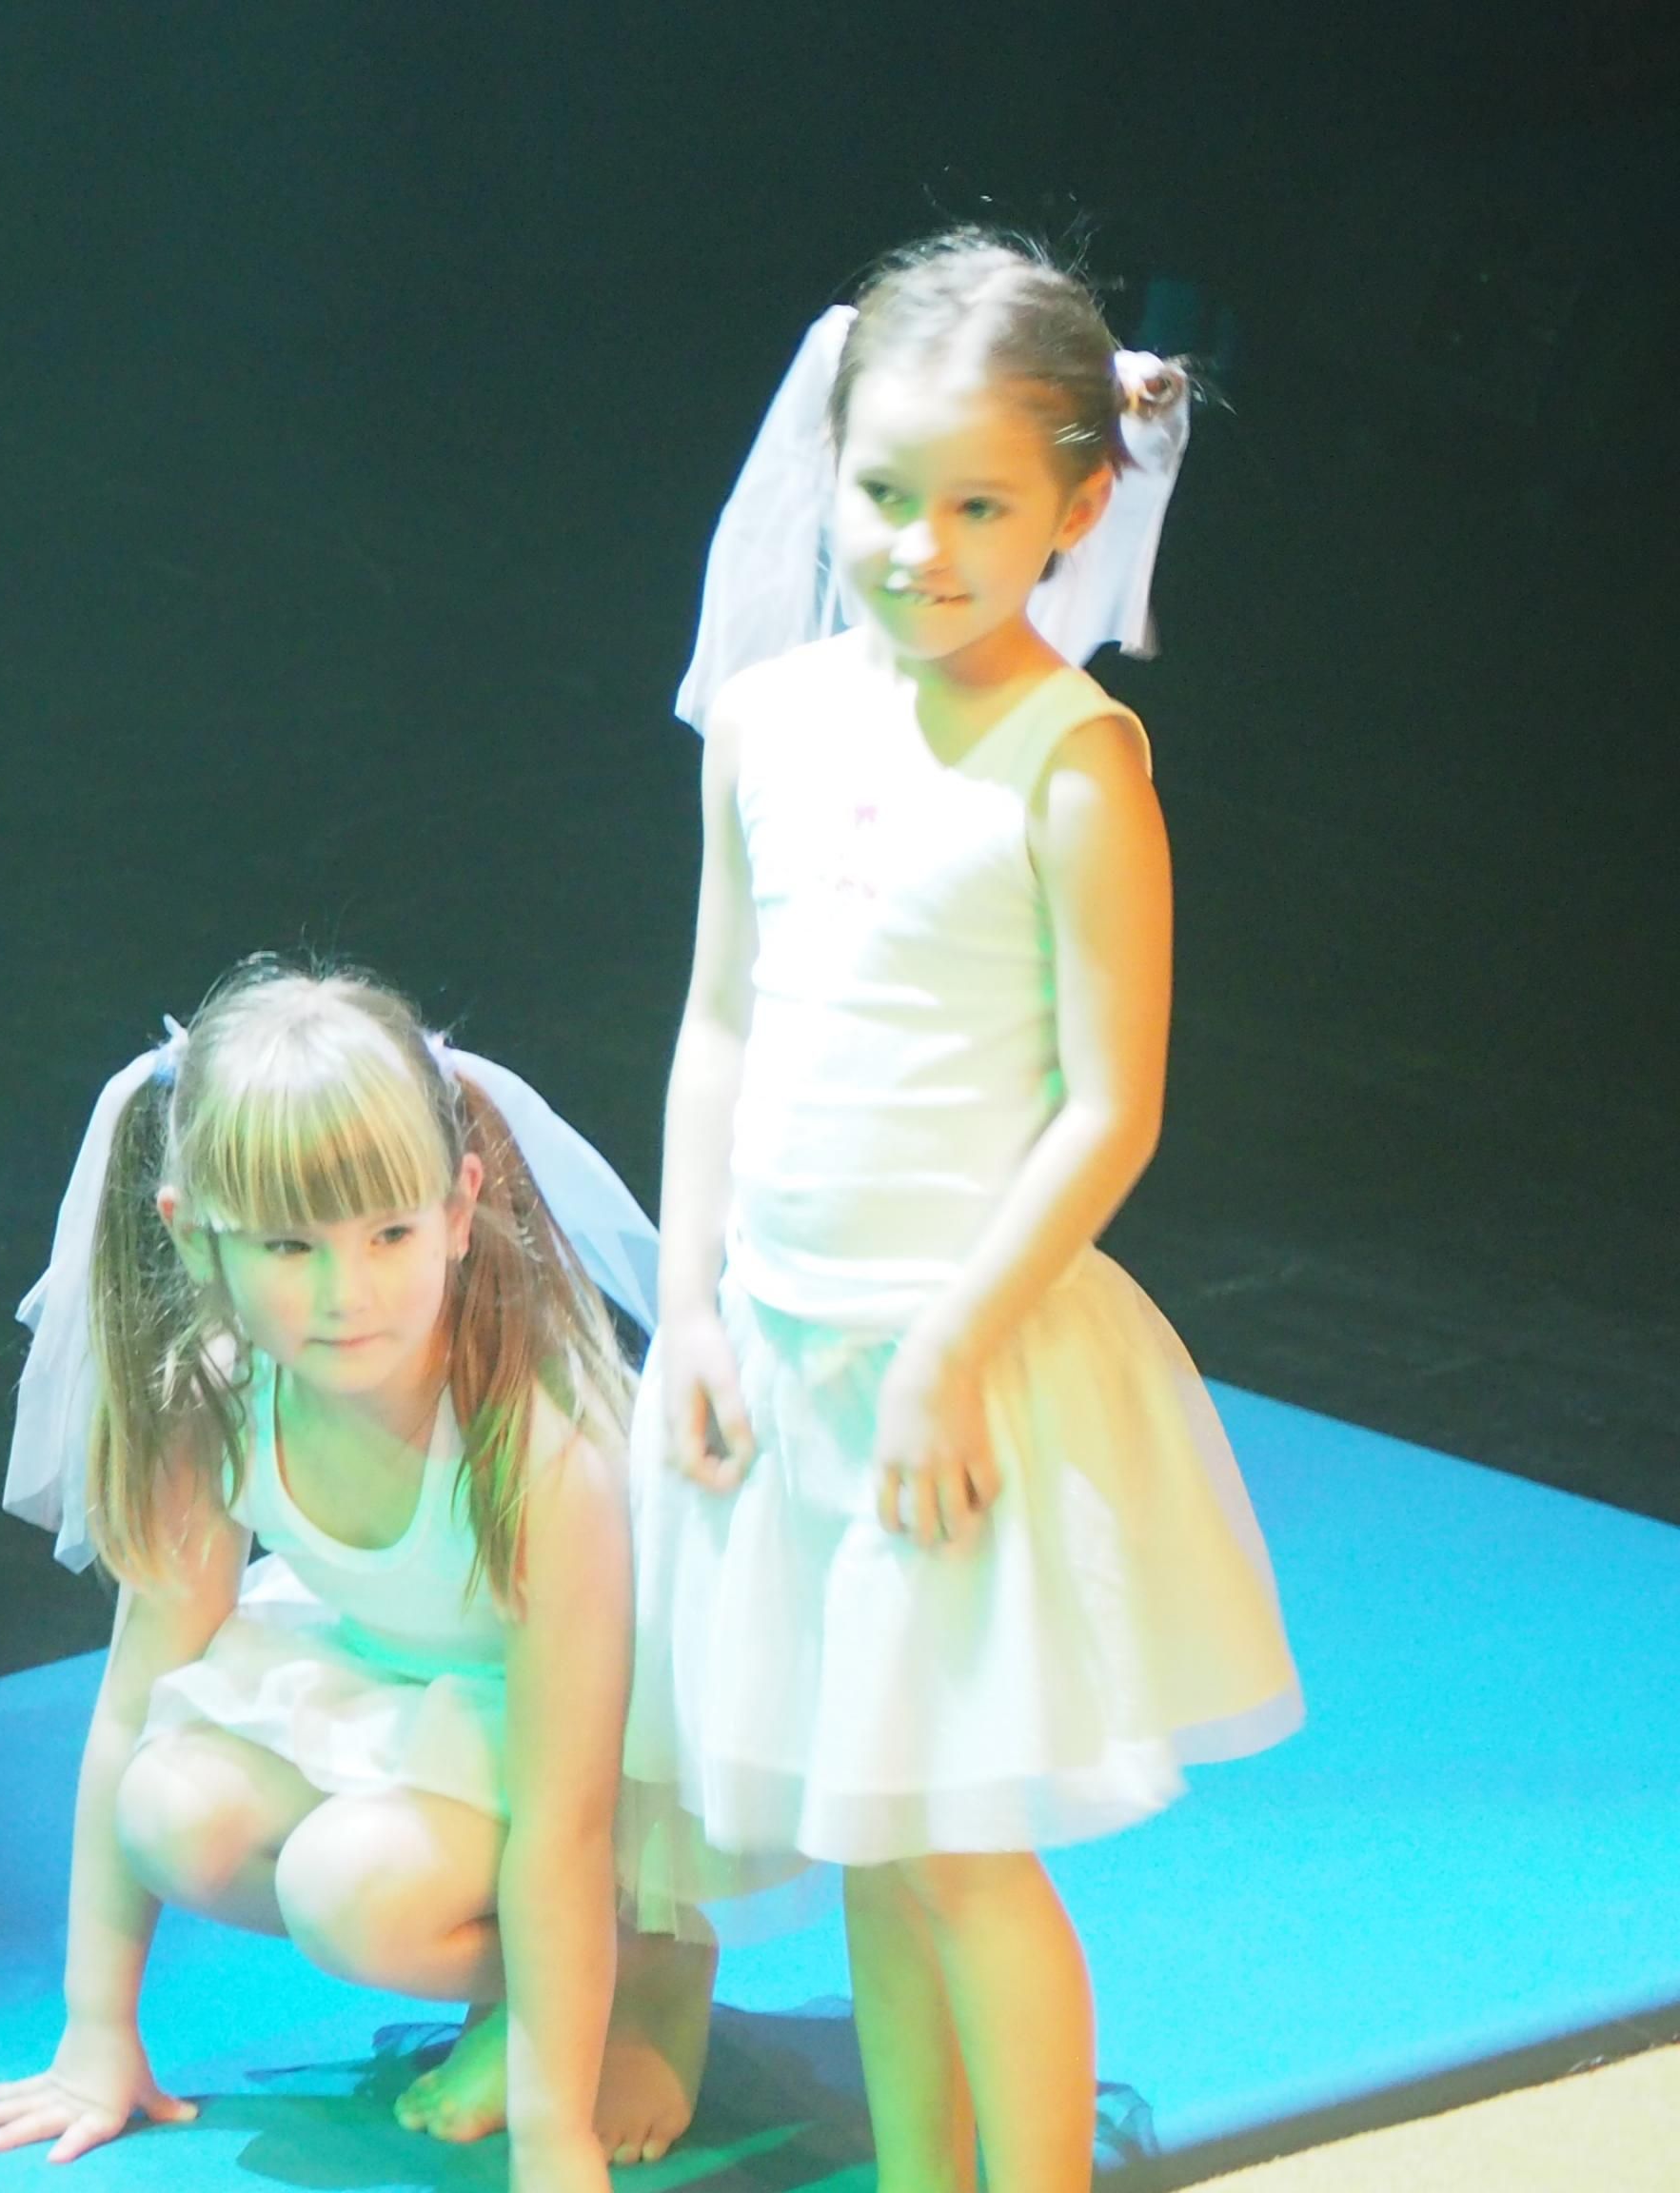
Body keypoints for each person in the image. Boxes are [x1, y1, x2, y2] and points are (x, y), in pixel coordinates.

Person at [628, 230, 1303, 2193]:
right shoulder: (766, 720)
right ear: (826, 470)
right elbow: (717, 1023)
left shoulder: (1070, 759)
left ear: (1075, 510)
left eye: (980, 507)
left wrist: (942, 1354)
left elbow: (1109, 1106)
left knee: (960, 1851)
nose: (919, 548)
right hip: (782, 1361)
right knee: (870, 1832)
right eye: (885, 494)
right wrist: (689, 1303)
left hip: (959, 1380)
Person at [0, 961, 718, 2191]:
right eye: (288, 1245)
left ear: (461, 1209)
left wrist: (555, 2141)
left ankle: (645, 1973)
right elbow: (129, 1707)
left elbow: (568, 1813)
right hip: (407, 1686)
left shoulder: (537, 1450)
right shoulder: (217, 1399)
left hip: (592, 1745)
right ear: (193, 1233)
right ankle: (541, 1989)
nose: (345, 1292)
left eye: (389, 1235)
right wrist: (97, 2033)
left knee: (349, 1894)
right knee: (170, 1809)